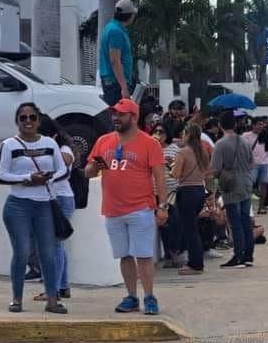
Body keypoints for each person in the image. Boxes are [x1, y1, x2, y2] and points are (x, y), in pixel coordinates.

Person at [86, 99, 169, 316]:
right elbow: (93, 171)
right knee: (124, 255)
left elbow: (160, 177)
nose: (116, 118)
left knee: (143, 255)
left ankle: (149, 296)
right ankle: (131, 296)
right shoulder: (104, 142)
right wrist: (92, 167)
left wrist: (162, 206)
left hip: (140, 208)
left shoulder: (149, 144)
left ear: (133, 117)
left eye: (121, 114)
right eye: (114, 114)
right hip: (113, 210)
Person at [0, 104, 68, 314]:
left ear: (39, 120)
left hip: (44, 204)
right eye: (23, 118)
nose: (28, 121)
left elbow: (63, 170)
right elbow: (2, 175)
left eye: (32, 117)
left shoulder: (49, 143)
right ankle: (16, 298)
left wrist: (46, 179)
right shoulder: (9, 145)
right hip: (18, 204)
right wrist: (27, 178)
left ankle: (52, 299)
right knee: (21, 252)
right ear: (17, 121)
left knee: (47, 253)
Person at [33, 115, 77, 302]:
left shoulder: (63, 147)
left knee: (53, 245)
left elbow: (66, 160)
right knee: (57, 245)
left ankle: (54, 289)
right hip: (51, 199)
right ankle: (63, 286)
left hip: (60, 199)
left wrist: (48, 146)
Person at [210, 111, 255, 269]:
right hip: (246, 184)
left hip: (230, 186)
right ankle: (248, 256)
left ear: (220, 125)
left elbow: (215, 169)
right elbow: (251, 163)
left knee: (235, 222)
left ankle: (239, 256)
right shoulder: (244, 141)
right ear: (235, 124)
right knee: (245, 221)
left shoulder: (220, 144)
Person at [172, 124, 210, 275]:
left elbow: (175, 174)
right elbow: (206, 172)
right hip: (199, 190)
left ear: (187, 135)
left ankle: (195, 264)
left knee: (190, 230)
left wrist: (170, 166)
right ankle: (196, 261)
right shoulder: (203, 151)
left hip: (186, 191)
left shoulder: (183, 152)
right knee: (193, 227)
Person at [154, 120, 184, 269]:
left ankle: (175, 251)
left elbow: (179, 170)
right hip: (156, 191)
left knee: (176, 221)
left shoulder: (174, 149)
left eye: (162, 132)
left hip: (172, 191)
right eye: (156, 131)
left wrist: (170, 163)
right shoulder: (151, 148)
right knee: (164, 224)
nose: (159, 135)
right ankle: (169, 254)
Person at [98, 0, 138, 107]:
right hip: (115, 83)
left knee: (118, 118)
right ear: (129, 16)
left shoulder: (110, 27)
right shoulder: (116, 31)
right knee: (119, 119)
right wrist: (124, 87)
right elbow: (114, 60)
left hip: (114, 82)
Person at [243, 117, 268, 213]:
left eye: (262, 124)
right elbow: (243, 150)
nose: (261, 126)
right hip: (253, 165)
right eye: (258, 124)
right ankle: (247, 208)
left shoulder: (266, 135)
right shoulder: (246, 136)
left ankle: (261, 207)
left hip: (265, 164)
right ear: (253, 125)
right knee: (250, 186)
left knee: (264, 184)